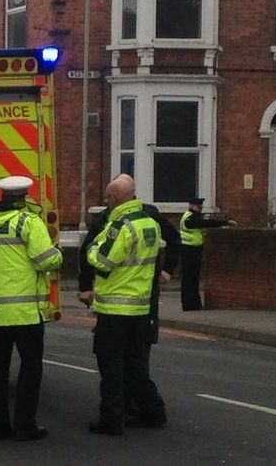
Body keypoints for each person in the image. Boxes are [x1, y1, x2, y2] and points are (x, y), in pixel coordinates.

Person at [0, 176, 62, 442]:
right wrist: (57, 253)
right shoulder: (29, 222)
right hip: (26, 312)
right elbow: (45, 261)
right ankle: (24, 425)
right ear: (24, 196)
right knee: (30, 369)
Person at [78, 174, 179, 419]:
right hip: (142, 303)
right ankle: (151, 409)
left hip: (116, 305)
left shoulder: (118, 224)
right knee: (135, 359)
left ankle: (115, 413)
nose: (106, 201)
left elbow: (101, 261)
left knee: (112, 361)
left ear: (114, 198)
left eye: (107, 197)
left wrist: (94, 250)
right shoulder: (147, 220)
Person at [180, 198, 235, 311]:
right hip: (189, 250)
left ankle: (194, 304)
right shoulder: (190, 219)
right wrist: (224, 222)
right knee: (190, 280)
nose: (200, 209)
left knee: (193, 279)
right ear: (192, 206)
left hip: (193, 250)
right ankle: (190, 305)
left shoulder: (191, 216)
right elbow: (205, 223)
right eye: (199, 207)